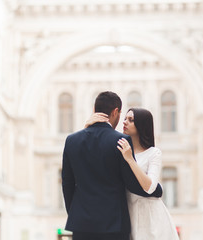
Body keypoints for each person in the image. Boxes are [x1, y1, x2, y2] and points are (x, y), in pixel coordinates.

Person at [61, 91, 163, 240]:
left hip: (81, 224)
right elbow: (131, 183)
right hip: (113, 225)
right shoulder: (121, 141)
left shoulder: (71, 140)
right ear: (115, 112)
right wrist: (156, 189)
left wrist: (76, 213)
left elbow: (67, 183)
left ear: (95, 110)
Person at [86, 108, 180, 240]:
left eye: (131, 120)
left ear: (142, 125)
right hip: (129, 214)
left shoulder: (153, 153)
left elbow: (150, 187)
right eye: (125, 118)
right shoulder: (118, 148)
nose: (125, 122)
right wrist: (88, 128)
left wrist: (130, 159)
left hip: (151, 216)